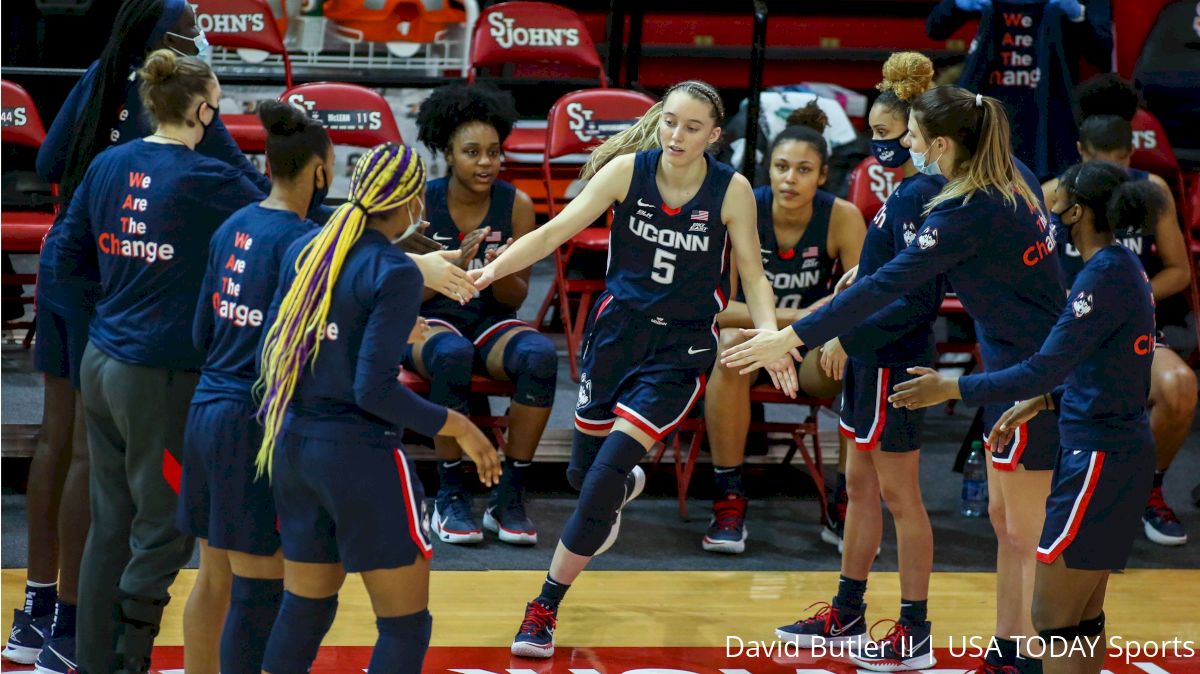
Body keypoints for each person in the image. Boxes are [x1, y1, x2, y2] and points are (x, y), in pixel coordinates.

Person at [722, 86, 1064, 674]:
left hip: (1034, 373)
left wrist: (794, 335)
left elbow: (897, 290)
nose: (899, 142)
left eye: (907, 134)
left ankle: (998, 646)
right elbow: (896, 273)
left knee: (1021, 530)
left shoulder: (962, 206)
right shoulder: (1007, 173)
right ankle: (1004, 648)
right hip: (1011, 364)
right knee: (1004, 524)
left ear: (940, 144)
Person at [468, 79, 797, 659]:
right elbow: (552, 233)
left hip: (681, 351)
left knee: (598, 482)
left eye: (693, 127)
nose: (677, 134)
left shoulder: (733, 190)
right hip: (616, 336)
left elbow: (753, 275)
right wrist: (488, 274)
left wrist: (771, 336)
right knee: (582, 474)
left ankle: (543, 606)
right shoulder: (626, 172)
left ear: (715, 136)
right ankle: (623, 484)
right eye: (670, 121)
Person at [5, 2, 266, 670]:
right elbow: (261, 195)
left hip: (80, 276)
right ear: (173, 44)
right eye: (194, 26)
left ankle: (41, 617)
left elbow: (53, 157)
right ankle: (80, 635)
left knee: (59, 442)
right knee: (124, 487)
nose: (205, 34)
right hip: (127, 301)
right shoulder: (192, 117)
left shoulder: (100, 76)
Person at [889, 161, 1163, 674]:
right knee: (1084, 619)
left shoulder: (1098, 278)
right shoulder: (1127, 269)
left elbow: (1041, 367)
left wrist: (950, 386)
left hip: (1097, 457)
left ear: (1076, 211)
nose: (1049, 202)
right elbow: (1117, 368)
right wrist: (1046, 402)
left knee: (1051, 618)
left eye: (1059, 196)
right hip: (1122, 447)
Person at [254, 142, 501, 674]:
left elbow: (276, 351)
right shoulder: (395, 271)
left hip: (292, 444)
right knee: (405, 626)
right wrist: (459, 424)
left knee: (303, 610)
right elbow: (374, 392)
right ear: (413, 199)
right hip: (359, 454)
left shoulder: (309, 249)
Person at [772, 52, 946, 672]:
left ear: (919, 135)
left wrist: (844, 333)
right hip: (873, 356)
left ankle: (914, 630)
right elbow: (890, 275)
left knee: (902, 497)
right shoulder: (905, 192)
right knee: (861, 487)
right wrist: (858, 278)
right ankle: (847, 611)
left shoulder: (924, 194)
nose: (877, 145)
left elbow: (917, 298)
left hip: (894, 358)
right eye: (871, 132)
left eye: (885, 134)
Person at [170, 101, 333, 674]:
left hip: (205, 412)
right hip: (250, 422)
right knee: (259, 590)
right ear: (320, 170)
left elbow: (199, 331)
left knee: (213, 578)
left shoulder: (230, 227)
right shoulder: (307, 243)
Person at [702, 100, 864, 555]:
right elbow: (717, 310)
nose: (790, 178)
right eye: (781, 167)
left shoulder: (843, 217)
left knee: (856, 354)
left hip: (810, 351)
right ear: (767, 170)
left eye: (803, 169)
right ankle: (729, 499)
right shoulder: (745, 207)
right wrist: (802, 320)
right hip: (758, 339)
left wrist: (814, 329)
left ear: (823, 175)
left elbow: (862, 301)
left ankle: (844, 501)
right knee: (730, 347)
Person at [1042, 74, 1196, 547]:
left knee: (1180, 385)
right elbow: (1023, 278)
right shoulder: (1050, 195)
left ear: (1130, 157)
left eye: (1120, 165)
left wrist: (1123, 296)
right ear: (1081, 155)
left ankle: (1146, 490)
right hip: (1066, 333)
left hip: (1131, 333)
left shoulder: (1150, 192)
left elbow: (1179, 271)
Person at [410, 83, 556, 546]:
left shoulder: (516, 205)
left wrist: (495, 270)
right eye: (472, 152)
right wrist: (449, 263)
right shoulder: (419, 202)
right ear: (448, 154)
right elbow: (401, 292)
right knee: (450, 353)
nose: (486, 162)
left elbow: (514, 299)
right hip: (427, 317)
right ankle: (451, 493)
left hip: (490, 318)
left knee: (539, 357)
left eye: (494, 152)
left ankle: (509, 495)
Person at [926, 0, 1113, 179]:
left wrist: (1078, 15)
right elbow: (935, 28)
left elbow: (1102, 51)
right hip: (988, 120)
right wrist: (957, 4)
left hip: (1051, 125)